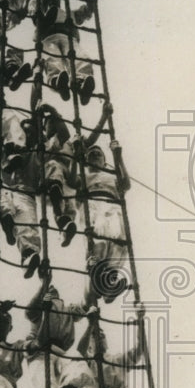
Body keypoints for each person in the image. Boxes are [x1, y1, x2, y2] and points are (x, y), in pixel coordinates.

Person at [71, 102, 131, 303]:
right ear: (87, 161)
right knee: (98, 236)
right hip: (93, 204)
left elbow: (126, 184)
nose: (94, 154)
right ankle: (96, 272)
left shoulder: (110, 174)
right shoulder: (85, 175)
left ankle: (110, 280)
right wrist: (75, 157)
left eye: (98, 153)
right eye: (91, 154)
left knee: (117, 239)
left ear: (104, 159)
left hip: (113, 204)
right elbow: (72, 182)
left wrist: (118, 157)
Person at [24, 281, 92, 388]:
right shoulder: (40, 306)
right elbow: (29, 312)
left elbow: (86, 304)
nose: (53, 287)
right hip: (39, 350)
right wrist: (42, 287)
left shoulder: (67, 309)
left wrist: (91, 278)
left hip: (61, 352)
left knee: (78, 361)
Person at [35, 102, 78, 246]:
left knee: (70, 205)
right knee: (55, 167)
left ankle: (64, 229)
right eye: (48, 124)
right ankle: (59, 214)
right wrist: (40, 115)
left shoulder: (66, 143)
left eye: (54, 123)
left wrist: (54, 112)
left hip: (65, 181)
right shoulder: (43, 142)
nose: (51, 125)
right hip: (48, 179)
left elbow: (64, 132)